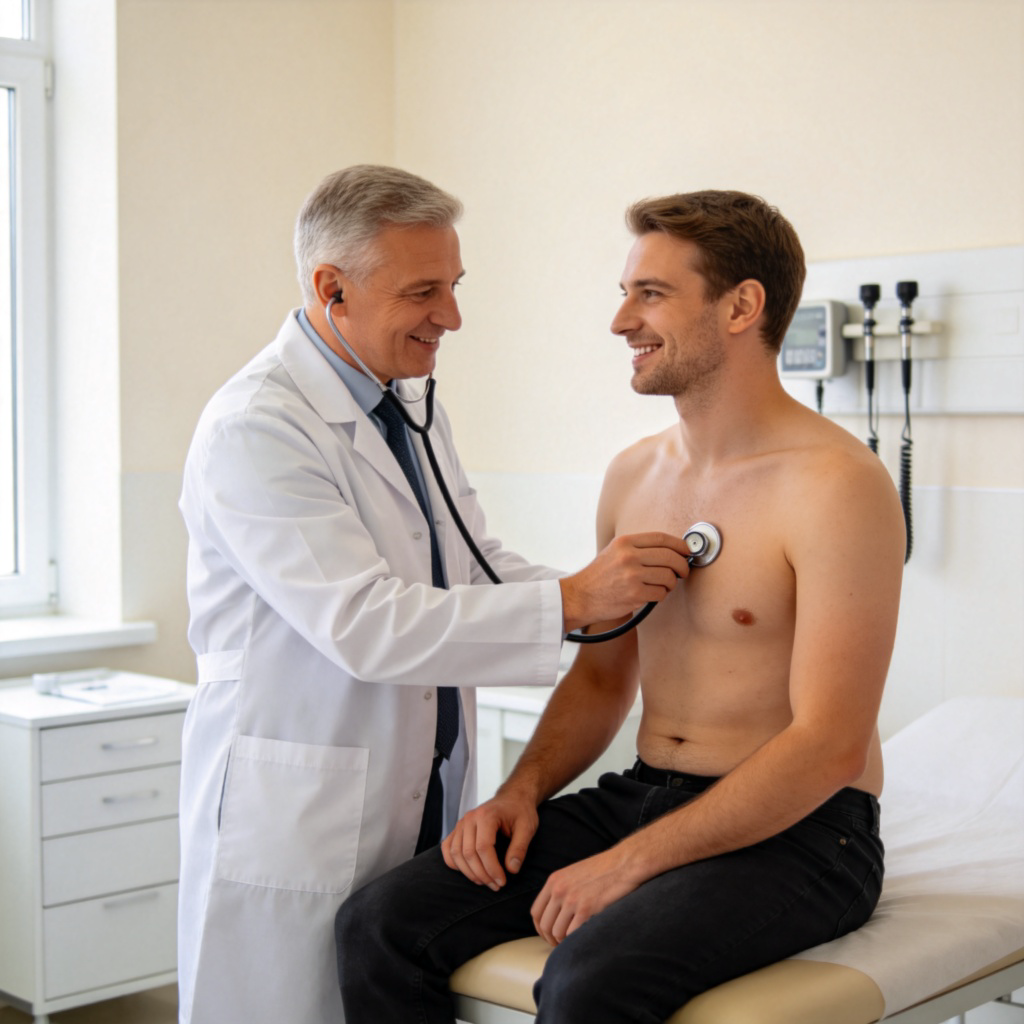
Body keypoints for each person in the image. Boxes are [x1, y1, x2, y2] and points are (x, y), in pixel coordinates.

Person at [335, 189, 906, 1023]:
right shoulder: (635, 475)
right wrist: (523, 790)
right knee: (379, 926)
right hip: (647, 791)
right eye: (624, 293)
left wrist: (630, 863)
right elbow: (604, 677)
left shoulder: (836, 486)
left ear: (742, 305)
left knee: (588, 978)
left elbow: (828, 746)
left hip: (808, 831)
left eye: (651, 294)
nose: (620, 323)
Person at [176, 165, 693, 1024]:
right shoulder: (256, 427)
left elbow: (474, 562)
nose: (451, 317)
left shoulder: (407, 404)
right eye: (424, 292)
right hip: (300, 798)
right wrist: (571, 602)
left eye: (453, 287)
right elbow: (364, 623)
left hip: (415, 785)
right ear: (330, 288)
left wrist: (616, 598)